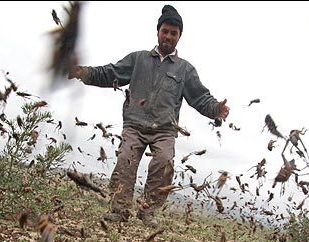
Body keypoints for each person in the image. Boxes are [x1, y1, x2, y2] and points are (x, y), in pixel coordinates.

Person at [69, 4, 230, 228]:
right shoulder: (138, 59)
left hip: (164, 129)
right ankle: (119, 210)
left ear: (179, 36)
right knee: (125, 158)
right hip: (135, 124)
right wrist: (83, 72)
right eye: (165, 31)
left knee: (163, 163)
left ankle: (148, 212)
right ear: (158, 31)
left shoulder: (185, 70)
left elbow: (200, 97)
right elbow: (110, 73)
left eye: (174, 33)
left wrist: (216, 109)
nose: (169, 36)